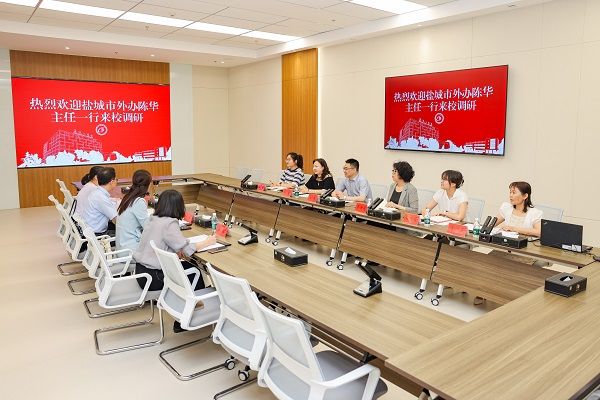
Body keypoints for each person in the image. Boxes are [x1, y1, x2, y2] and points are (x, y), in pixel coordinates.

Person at [133, 189, 216, 293]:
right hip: (154, 278)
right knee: (195, 271)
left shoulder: (153, 218)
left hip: (141, 272)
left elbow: (171, 243)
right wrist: (208, 242)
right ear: (178, 206)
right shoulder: (169, 223)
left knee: (189, 265)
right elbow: (186, 249)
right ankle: (198, 298)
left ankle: (196, 296)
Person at [115, 169, 153, 253]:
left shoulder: (127, 197)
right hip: (130, 250)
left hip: (122, 247)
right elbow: (148, 228)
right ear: (149, 184)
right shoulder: (139, 201)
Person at [80, 167, 118, 235]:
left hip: (89, 230)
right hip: (97, 235)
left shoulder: (97, 192)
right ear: (111, 181)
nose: (116, 181)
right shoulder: (101, 197)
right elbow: (116, 220)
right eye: (116, 179)